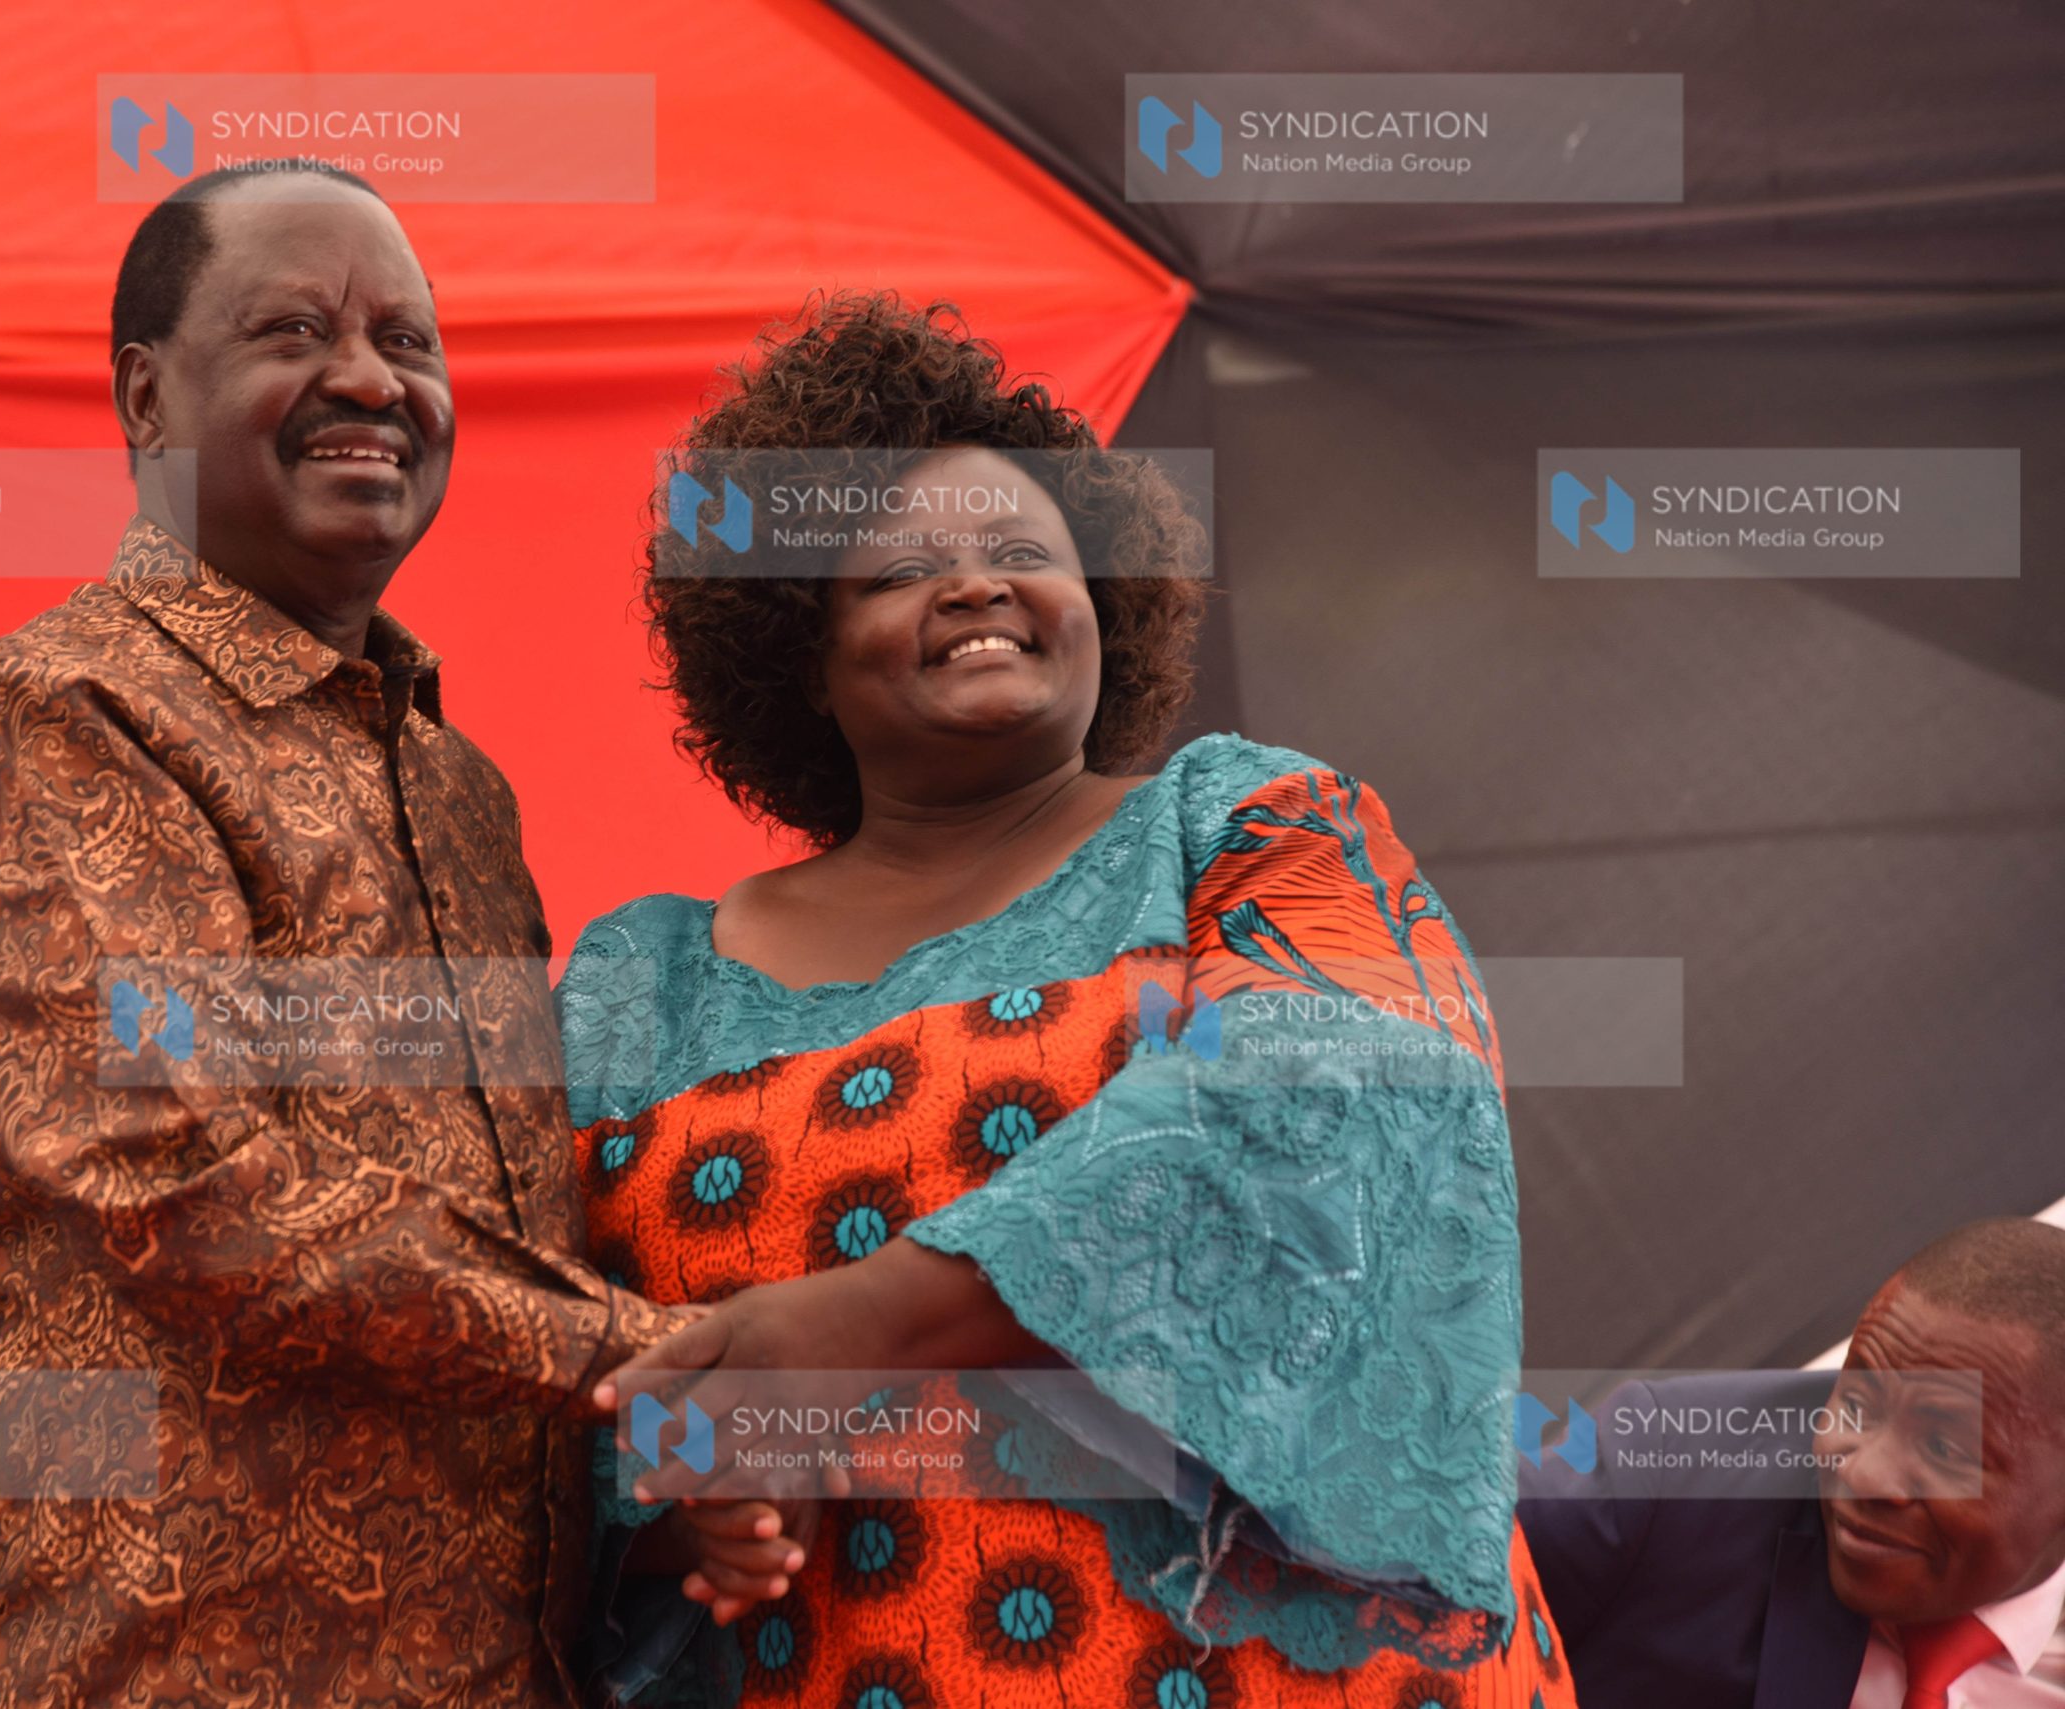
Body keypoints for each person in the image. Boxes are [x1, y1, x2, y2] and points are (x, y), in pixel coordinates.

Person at [559, 292, 1574, 1706]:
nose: (976, 585)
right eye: (901, 568)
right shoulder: (640, 979)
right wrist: (689, 1498)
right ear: (798, 646)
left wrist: (861, 1326)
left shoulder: (1252, 823)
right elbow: (546, 1352)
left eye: (1024, 550)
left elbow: (1348, 1091)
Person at [0, 160, 686, 1707]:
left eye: (411, 341)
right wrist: (644, 1357)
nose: (370, 377)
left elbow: (519, 1221)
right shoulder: (57, 717)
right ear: (148, 395)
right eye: (294, 329)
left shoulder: (460, 791)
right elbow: (177, 1179)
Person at [1520, 1218, 2065, 1709]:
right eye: (1855, 1406)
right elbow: (1446, 1562)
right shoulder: (1676, 1467)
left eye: (1943, 1448)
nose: (1861, 1474)